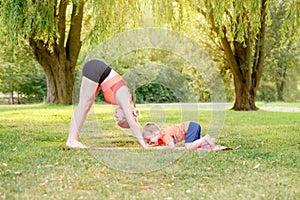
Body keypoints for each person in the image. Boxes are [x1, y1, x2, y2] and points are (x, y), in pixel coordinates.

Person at [66, 59, 148, 149]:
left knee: (86, 105)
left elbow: (134, 122)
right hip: (96, 68)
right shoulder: (125, 99)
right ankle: (71, 140)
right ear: (126, 115)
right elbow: (133, 122)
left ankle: (72, 140)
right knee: (84, 105)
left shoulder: (125, 104)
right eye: (119, 118)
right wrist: (144, 145)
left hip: (98, 73)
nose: (115, 116)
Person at [142, 121, 215, 150]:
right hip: (193, 126)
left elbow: (171, 147)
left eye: (149, 140)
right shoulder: (160, 138)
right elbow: (158, 145)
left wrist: (159, 149)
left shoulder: (164, 135)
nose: (150, 142)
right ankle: (208, 141)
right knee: (195, 146)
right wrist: (151, 147)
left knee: (188, 147)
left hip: (190, 127)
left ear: (154, 134)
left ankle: (205, 138)